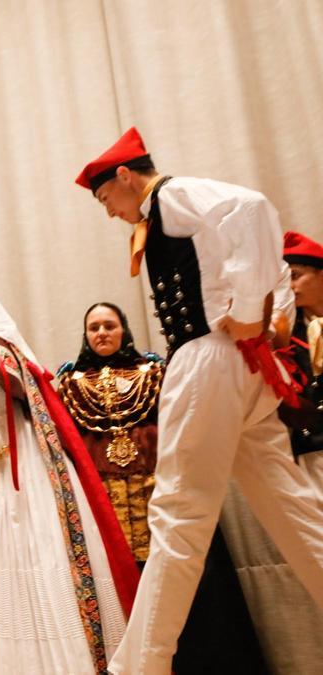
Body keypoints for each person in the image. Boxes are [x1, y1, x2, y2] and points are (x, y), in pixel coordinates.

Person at [77, 126, 323, 674]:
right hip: (238, 365)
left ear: (124, 176)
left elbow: (251, 207)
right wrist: (269, 311)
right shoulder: (165, 211)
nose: (110, 211)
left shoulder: (170, 196)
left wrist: (248, 308)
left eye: (105, 198)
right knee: (291, 506)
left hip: (208, 358)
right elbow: (258, 240)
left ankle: (141, 665)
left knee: (178, 511)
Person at [0, 286, 139, 674]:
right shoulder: (11, 353)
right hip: (38, 469)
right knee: (45, 553)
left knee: (11, 554)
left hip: (10, 471)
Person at [58, 302, 267, 674]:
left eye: (109, 325)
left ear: (124, 329)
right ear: (86, 335)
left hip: (158, 490)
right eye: (94, 328)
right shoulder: (71, 385)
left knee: (180, 579)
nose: (102, 333)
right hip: (103, 503)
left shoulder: (154, 373)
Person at [279, 231, 323, 494]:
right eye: (284, 280)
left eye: (295, 276)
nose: (290, 287)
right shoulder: (286, 338)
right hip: (313, 447)